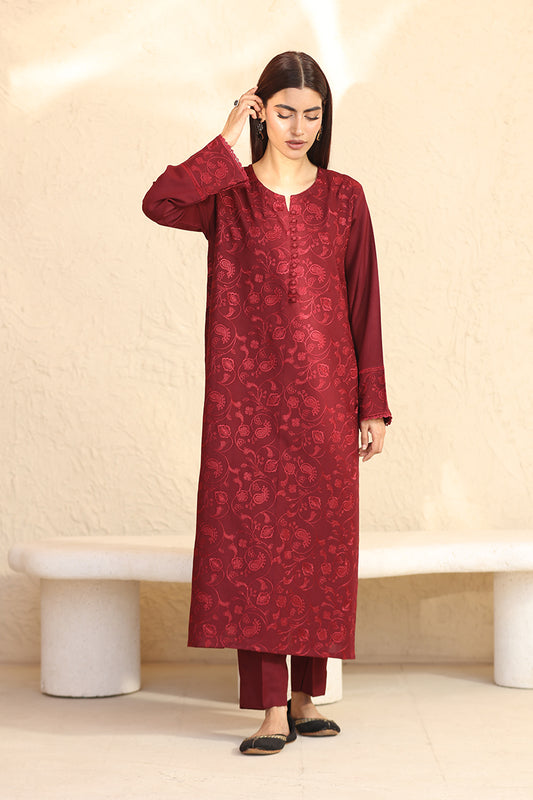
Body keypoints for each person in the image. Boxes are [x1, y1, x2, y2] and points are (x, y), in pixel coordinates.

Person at [142, 51, 392, 756]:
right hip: (244, 406)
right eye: (284, 112)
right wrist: (225, 141)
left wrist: (371, 404)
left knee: (316, 549)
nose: (299, 127)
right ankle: (268, 709)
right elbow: (160, 202)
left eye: (312, 115)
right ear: (261, 112)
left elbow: (364, 302)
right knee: (252, 549)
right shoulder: (228, 195)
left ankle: (305, 697)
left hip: (325, 400)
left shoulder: (344, 197)